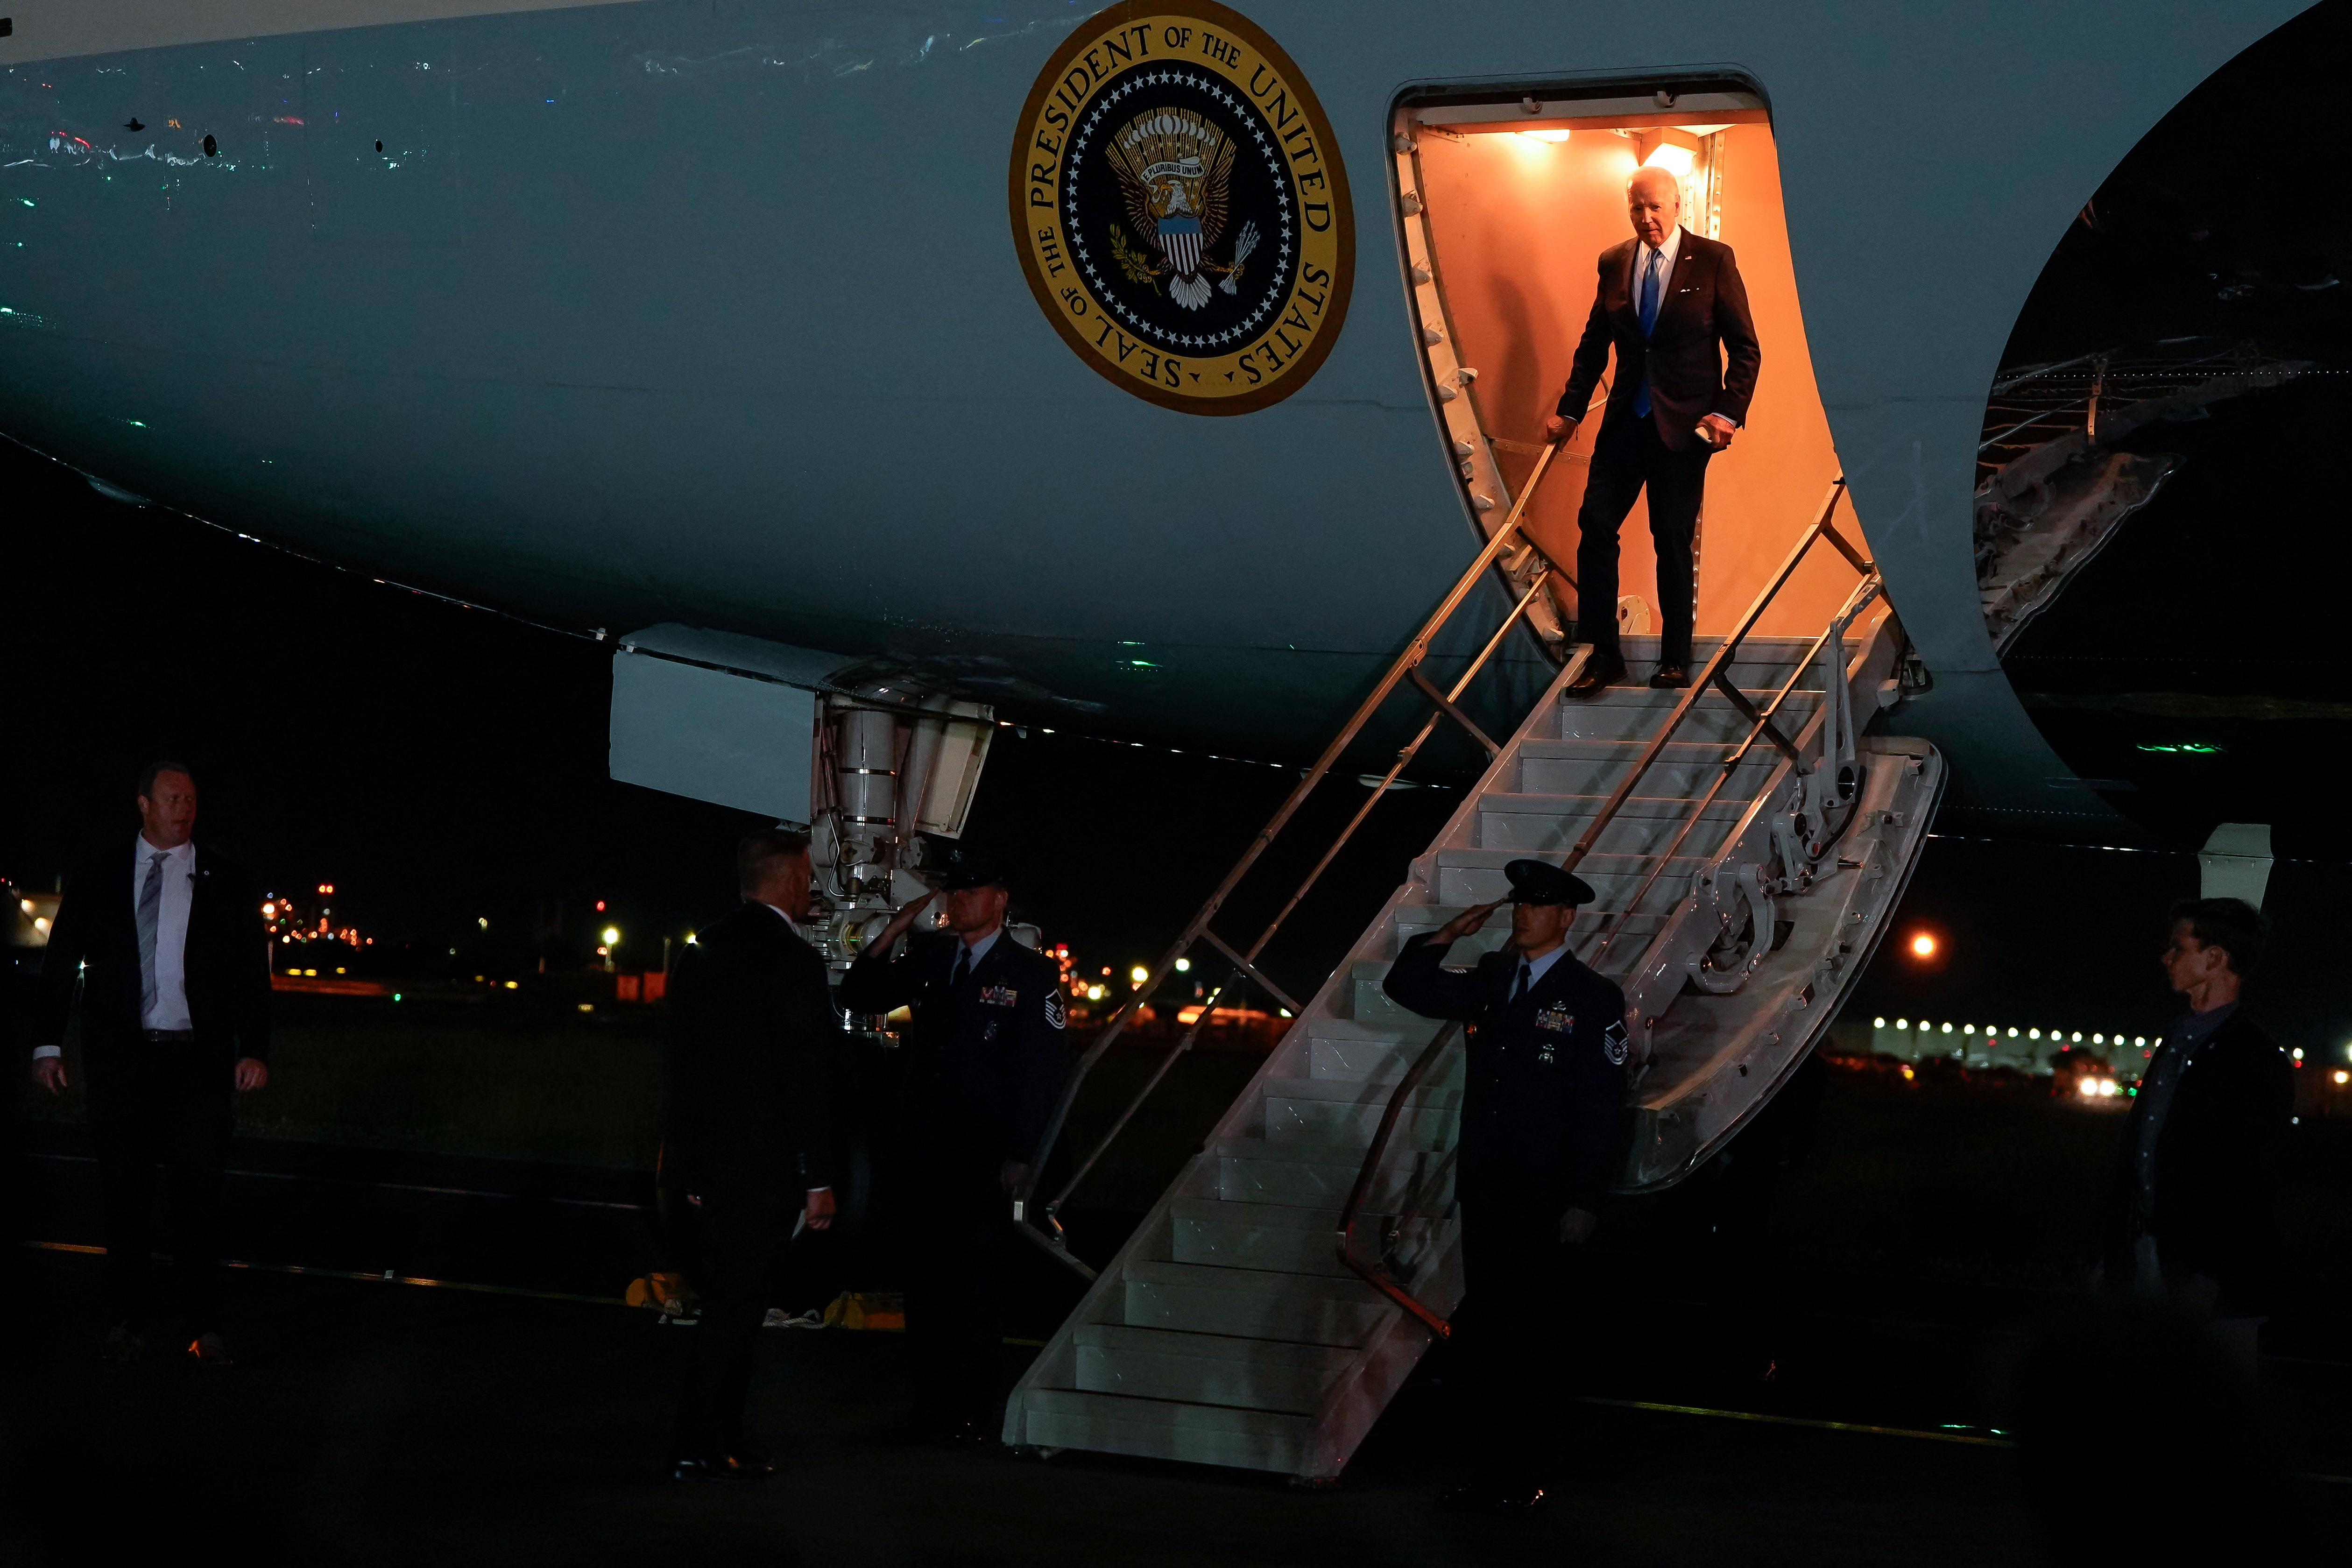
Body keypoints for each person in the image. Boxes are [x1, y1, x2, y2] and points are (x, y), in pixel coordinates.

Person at [1382, 859, 1628, 1511]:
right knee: (1492, 1331)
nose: (1522, 914)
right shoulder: (1493, 977)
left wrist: (1584, 1198)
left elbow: (1602, 1106)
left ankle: (1524, 1471)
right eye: (1518, 903)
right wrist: (1446, 935)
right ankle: (1494, 1472)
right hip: (1487, 1183)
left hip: (1545, 1193)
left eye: (1538, 905)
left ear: (1566, 917)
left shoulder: (1592, 995)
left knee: (1531, 1336)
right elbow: (1408, 986)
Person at [28, 762, 270, 1371]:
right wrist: (47, 1043)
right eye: (171, 797)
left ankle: (203, 1324)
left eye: (191, 797)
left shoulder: (225, 880)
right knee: (125, 1197)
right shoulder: (101, 875)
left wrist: (254, 1047)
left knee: (198, 1199)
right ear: (143, 803)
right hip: (123, 1064)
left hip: (197, 1064)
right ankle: (126, 1322)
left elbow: (250, 975)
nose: (183, 807)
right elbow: (61, 962)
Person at [840, 847, 1067, 1445]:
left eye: (971, 891)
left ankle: (970, 1412)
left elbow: (1041, 1073)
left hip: (983, 1157)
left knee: (975, 1285)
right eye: (953, 891)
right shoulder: (933, 956)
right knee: (926, 1284)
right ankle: (928, 1408)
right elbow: (860, 993)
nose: (956, 900)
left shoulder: (1030, 973)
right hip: (925, 1151)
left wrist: (1023, 1154)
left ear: (1000, 900)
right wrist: (894, 926)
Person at [1545, 164, 1761, 697]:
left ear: (1677, 205)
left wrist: (1727, 413)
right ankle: (1604, 653)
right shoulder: (1614, 261)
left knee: (1670, 538)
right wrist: (1571, 411)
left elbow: (1746, 348)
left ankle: (1673, 659)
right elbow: (1595, 343)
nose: (1646, 219)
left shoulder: (1713, 259)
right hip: (1624, 423)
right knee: (1595, 525)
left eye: (1655, 208)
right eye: (1636, 208)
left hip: (1685, 429)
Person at [663, 827, 839, 1482]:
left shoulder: (702, 951)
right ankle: (702, 1437)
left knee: (725, 1305)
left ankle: (719, 1432)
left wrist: (693, 1167)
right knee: (738, 1312)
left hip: (714, 1168)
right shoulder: (792, 961)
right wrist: (818, 1176)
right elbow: (806, 1077)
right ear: (790, 880)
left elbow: (684, 1071)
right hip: (764, 1171)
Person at [2094, 897, 2294, 1369]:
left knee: (2204, 1416)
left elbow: (2255, 1179)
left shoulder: (2255, 1059)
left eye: (2178, 947)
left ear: (2215, 957)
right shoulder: (2179, 1041)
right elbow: (2140, 1153)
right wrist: (2113, 1251)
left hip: (2209, 1282)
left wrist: (2211, 1277)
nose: (2167, 958)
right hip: (2150, 1260)